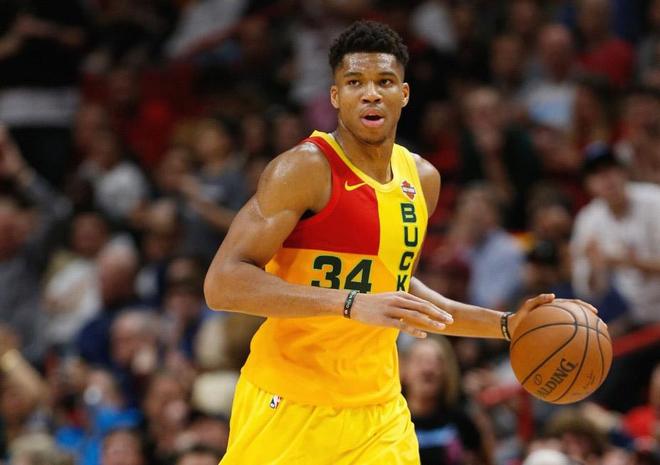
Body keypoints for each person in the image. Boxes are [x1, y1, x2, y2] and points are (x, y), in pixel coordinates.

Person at [204, 20, 593, 464]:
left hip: (380, 413)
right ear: (335, 96)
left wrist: (505, 325)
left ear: (403, 94)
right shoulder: (303, 169)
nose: (371, 94)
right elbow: (222, 284)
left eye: (384, 81)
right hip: (291, 404)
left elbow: (396, 289)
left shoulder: (422, 180)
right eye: (355, 82)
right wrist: (350, 303)